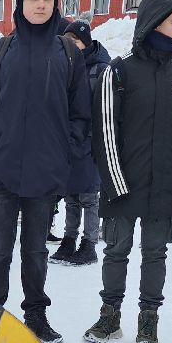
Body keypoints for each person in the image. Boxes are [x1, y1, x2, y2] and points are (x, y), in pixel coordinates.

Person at [0, 0, 90, 343]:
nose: (40, 5)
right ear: (20, 3)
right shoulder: (0, 51)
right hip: (2, 169)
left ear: (56, 4)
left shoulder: (68, 53)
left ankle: (36, 315)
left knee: (36, 252)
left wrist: (63, 148)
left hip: (45, 172)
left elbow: (81, 114)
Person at [84, 0, 172, 343]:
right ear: (154, 22)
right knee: (116, 251)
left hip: (164, 183)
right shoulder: (118, 71)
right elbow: (104, 131)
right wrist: (115, 182)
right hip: (124, 182)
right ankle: (110, 316)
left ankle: (149, 320)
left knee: (155, 253)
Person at [50, 19, 109, 267]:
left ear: (85, 41)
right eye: (67, 40)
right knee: (71, 194)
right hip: (68, 139)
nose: (71, 44)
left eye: (75, 40)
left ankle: (89, 244)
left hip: (91, 141)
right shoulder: (64, 65)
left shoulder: (101, 68)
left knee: (89, 196)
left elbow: (106, 108)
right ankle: (69, 239)